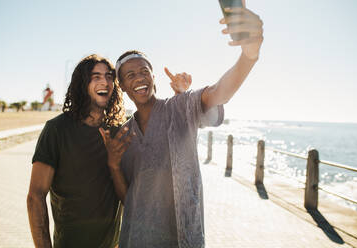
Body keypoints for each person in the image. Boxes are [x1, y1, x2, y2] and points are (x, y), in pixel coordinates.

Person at [99, 4, 263, 248]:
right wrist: (113, 165)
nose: (139, 78)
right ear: (121, 85)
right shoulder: (123, 135)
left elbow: (219, 92)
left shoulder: (180, 107)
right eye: (130, 75)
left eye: (144, 71)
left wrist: (250, 54)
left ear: (154, 77)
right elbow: (128, 199)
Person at [27, 54, 190, 248]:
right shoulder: (57, 130)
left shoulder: (120, 133)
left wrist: (182, 98)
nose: (104, 82)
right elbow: (35, 196)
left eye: (109, 77)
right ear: (82, 83)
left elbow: (135, 193)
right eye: (96, 77)